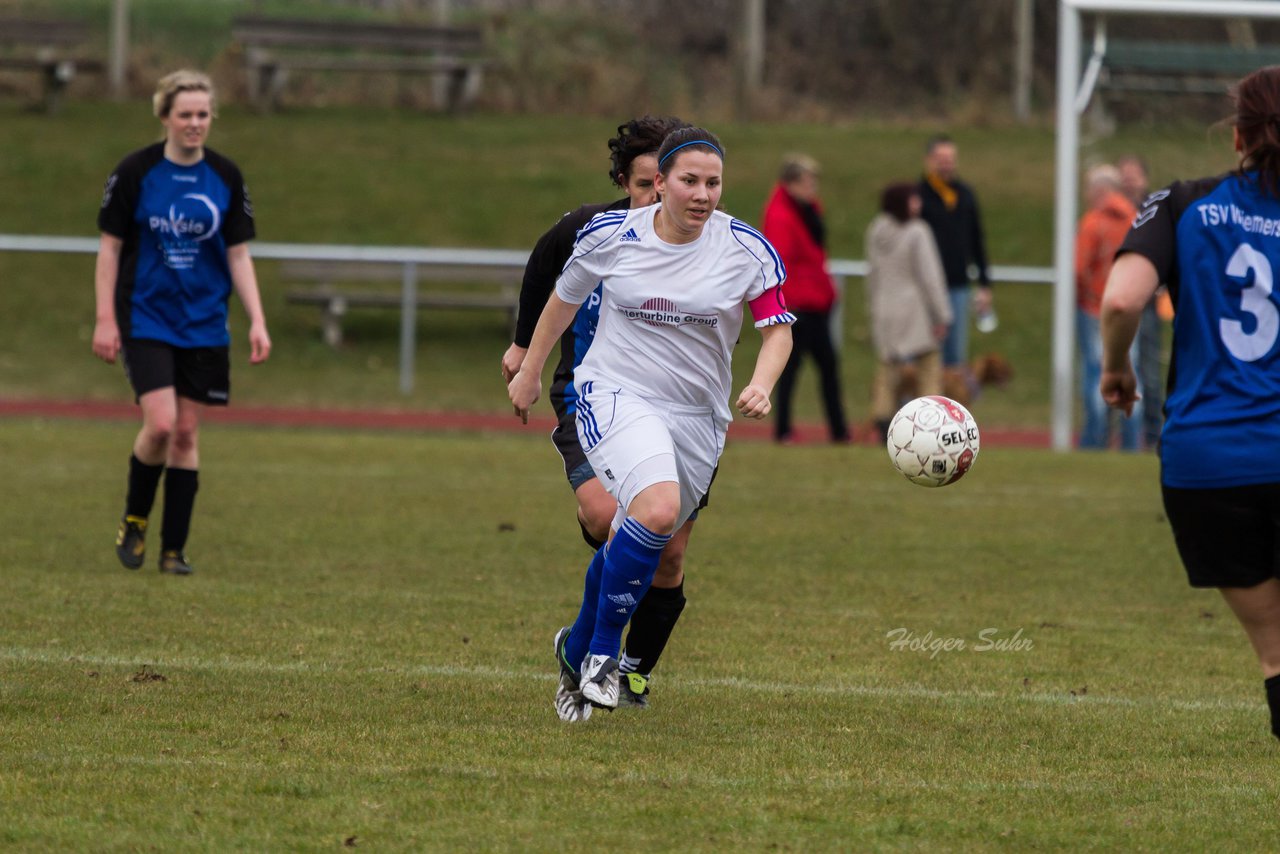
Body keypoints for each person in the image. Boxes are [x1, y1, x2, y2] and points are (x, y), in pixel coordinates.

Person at [508, 127, 793, 721]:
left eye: (713, 183)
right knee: (655, 509)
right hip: (616, 392)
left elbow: (776, 327)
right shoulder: (612, 235)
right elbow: (561, 299)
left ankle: (577, 643)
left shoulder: (746, 248)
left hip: (698, 417)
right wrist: (531, 369)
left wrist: (762, 383)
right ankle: (604, 656)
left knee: (647, 535)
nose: (702, 194)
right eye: (689, 181)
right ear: (659, 183)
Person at [1100, 65, 1280, 741]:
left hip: (1209, 464)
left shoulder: (1183, 203)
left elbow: (1121, 299)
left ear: (1237, 137)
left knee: (1275, 651)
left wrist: (1116, 369)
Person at [501, 116, 693, 708]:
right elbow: (545, 266)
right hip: (592, 396)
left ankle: (631, 670)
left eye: (664, 185)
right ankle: (595, 650)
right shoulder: (592, 229)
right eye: (642, 185)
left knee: (670, 552)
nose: (655, 197)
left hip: (678, 410)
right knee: (608, 517)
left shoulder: (701, 243)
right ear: (624, 180)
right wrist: (521, 349)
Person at [93, 70, 270, 576]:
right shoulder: (135, 173)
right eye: (185, 114)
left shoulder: (226, 176)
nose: (195, 123)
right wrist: (106, 318)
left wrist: (257, 319)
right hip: (146, 317)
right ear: (165, 116)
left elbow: (238, 255)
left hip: (205, 322)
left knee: (187, 434)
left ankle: (174, 551)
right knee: (161, 425)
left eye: (203, 114)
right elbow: (109, 249)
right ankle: (135, 519)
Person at [762, 154, 850, 444]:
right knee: (793, 369)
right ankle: (785, 429)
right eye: (807, 181)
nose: (813, 186)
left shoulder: (808, 209)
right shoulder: (781, 215)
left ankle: (836, 430)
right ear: (791, 183)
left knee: (824, 368)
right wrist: (789, 302)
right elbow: (781, 262)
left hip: (816, 300)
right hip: (798, 304)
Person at [864, 183, 952, 440]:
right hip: (915, 309)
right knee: (929, 364)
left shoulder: (876, 230)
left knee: (887, 368)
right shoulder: (918, 231)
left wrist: (873, 308)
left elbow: (873, 274)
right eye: (914, 200)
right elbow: (930, 276)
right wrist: (942, 315)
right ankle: (931, 419)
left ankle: (882, 419)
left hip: (884, 306)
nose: (918, 204)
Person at [1075, 164, 1141, 450]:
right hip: (1129, 309)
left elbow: (1079, 270)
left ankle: (1095, 440)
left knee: (1095, 373)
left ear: (1101, 190)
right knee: (1132, 373)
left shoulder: (1093, 222)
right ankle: (1130, 442)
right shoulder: (1136, 219)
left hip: (1095, 308)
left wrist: (1086, 296)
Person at [918, 135, 992, 373]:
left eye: (950, 159)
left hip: (957, 286)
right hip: (925, 291)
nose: (947, 164)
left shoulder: (965, 194)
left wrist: (984, 283)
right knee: (925, 355)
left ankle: (948, 409)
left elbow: (977, 239)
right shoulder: (919, 196)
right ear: (929, 161)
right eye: (941, 159)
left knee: (954, 358)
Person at [1117, 153, 1166, 449]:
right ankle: (1118, 437)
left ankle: (1152, 434)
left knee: (1148, 370)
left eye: (1133, 174)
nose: (1129, 180)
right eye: (1124, 174)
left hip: (1145, 306)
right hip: (1116, 304)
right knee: (1114, 369)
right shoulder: (1112, 212)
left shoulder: (1155, 210)